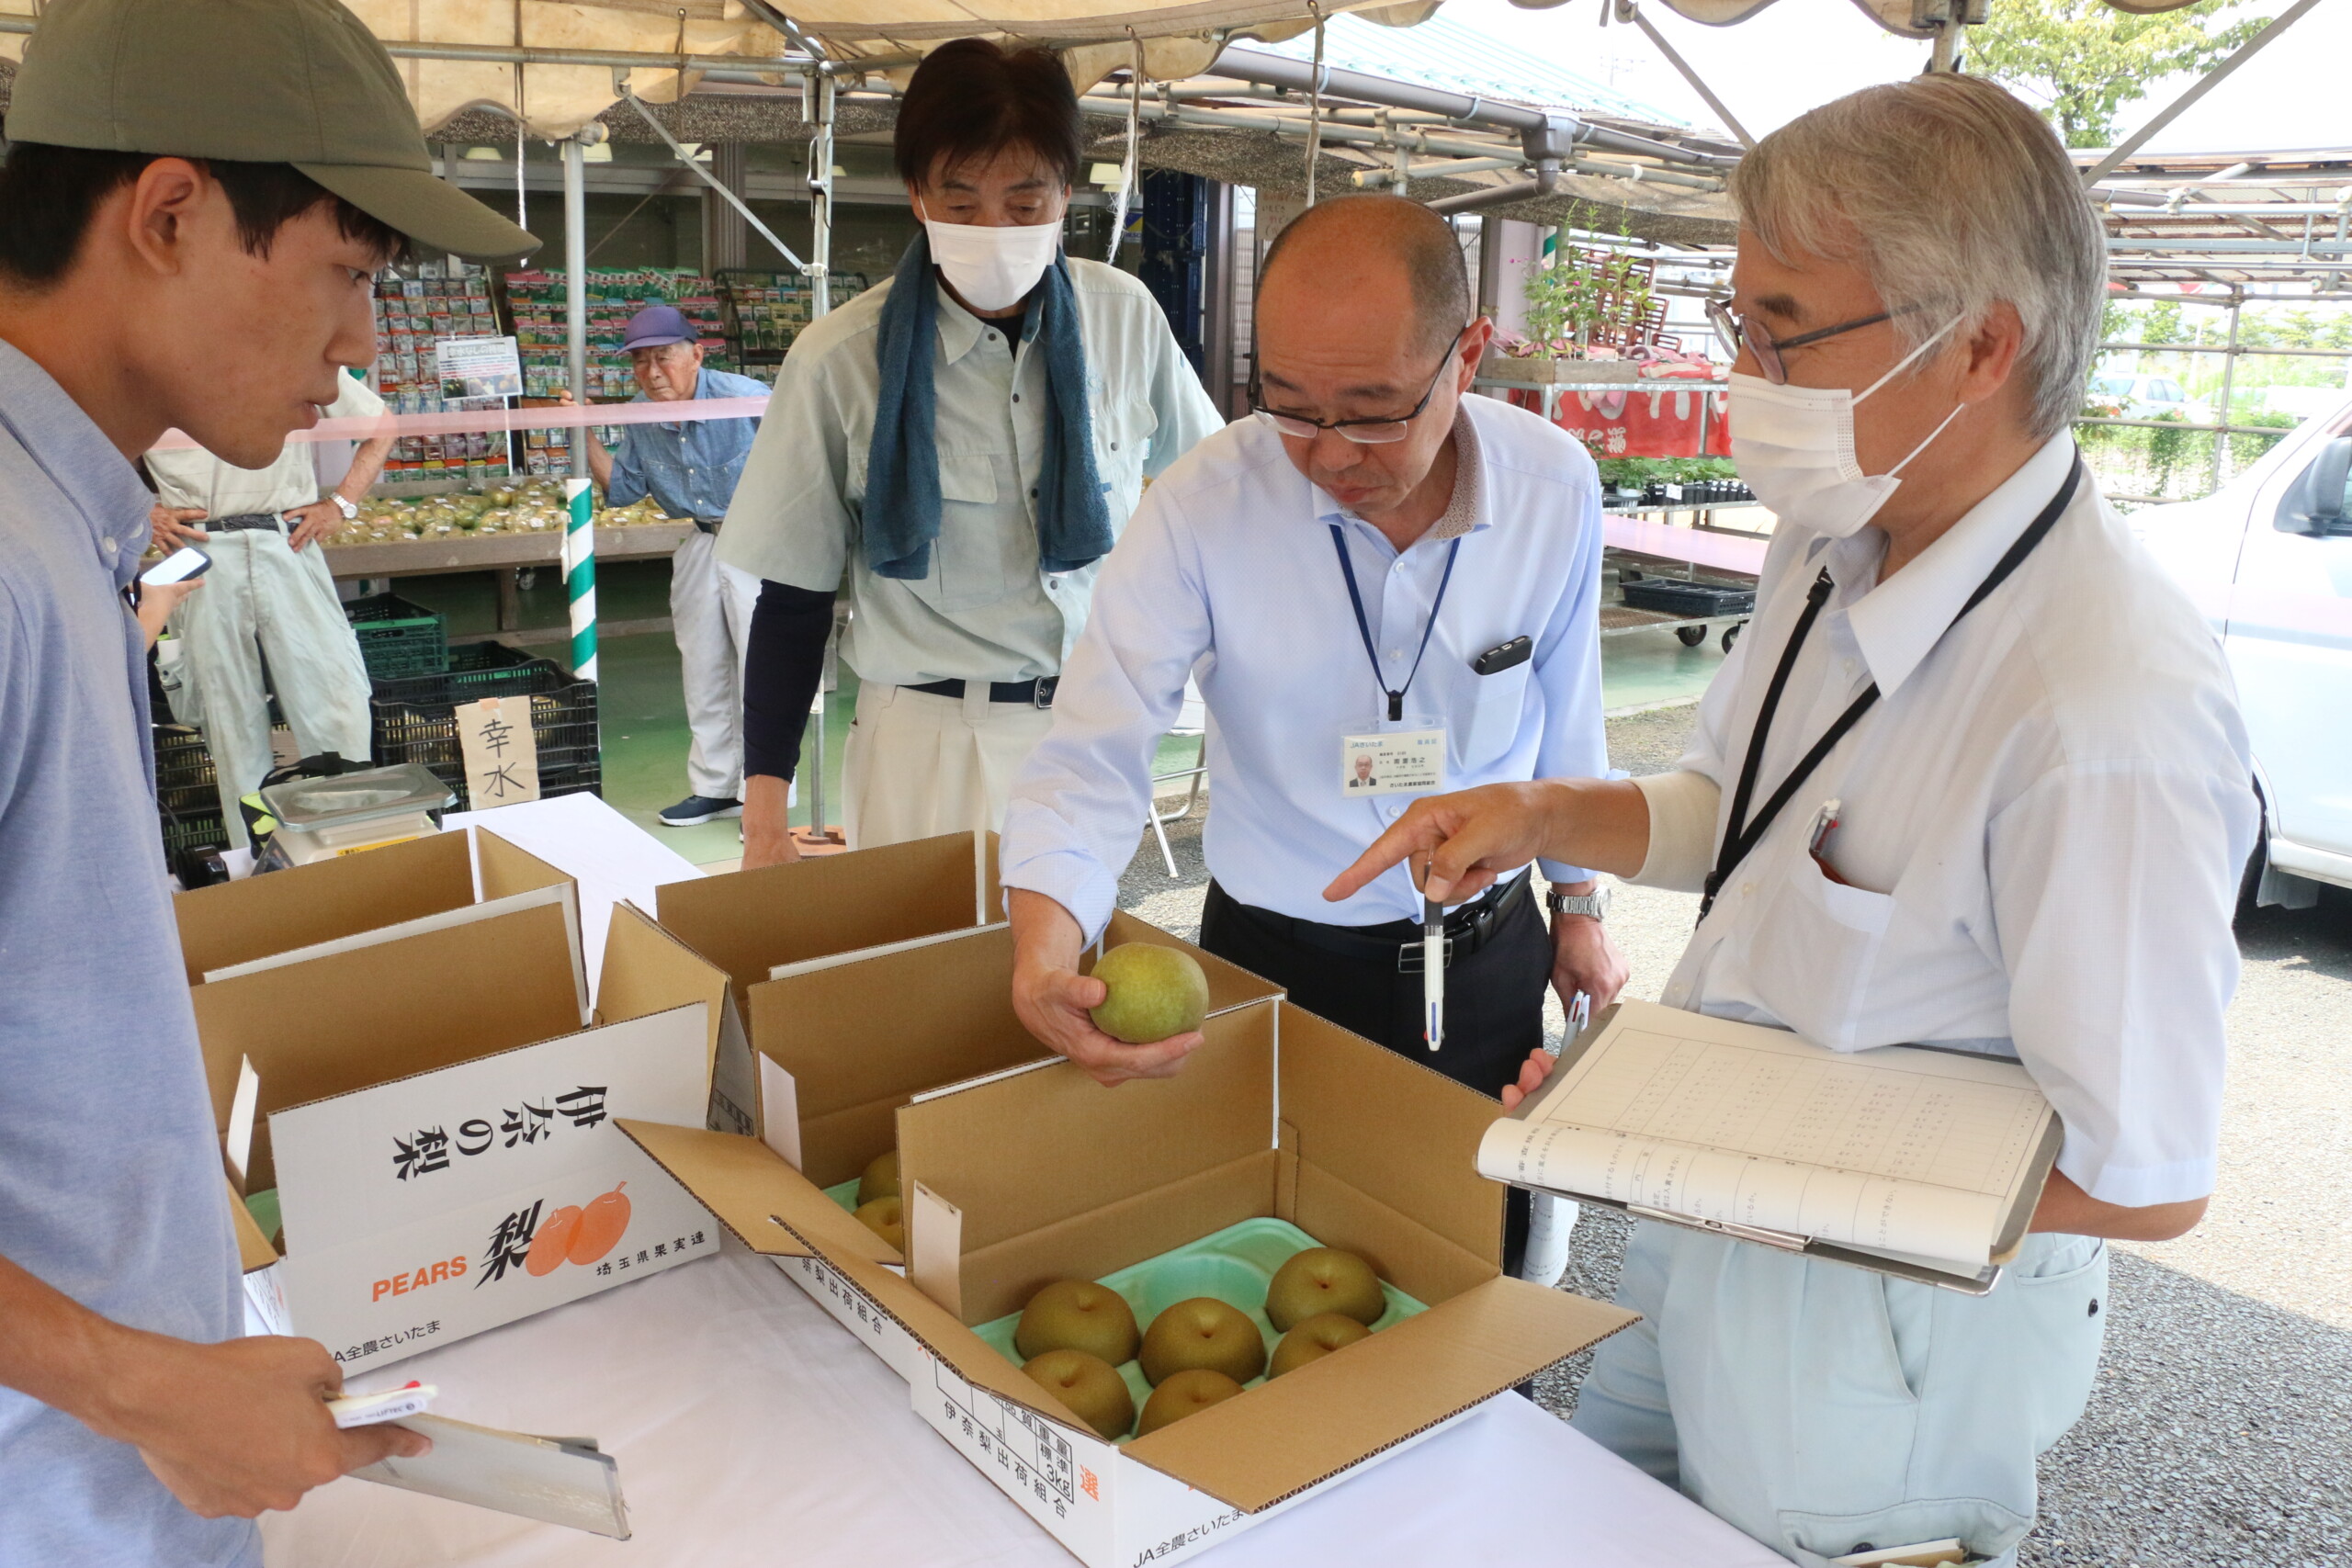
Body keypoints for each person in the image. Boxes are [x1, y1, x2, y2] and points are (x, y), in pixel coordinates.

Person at [1328, 76, 2256, 1568]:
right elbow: (1749, 810)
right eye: (1738, 325)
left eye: (1782, 328)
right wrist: (1544, 809)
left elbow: (2145, 1178)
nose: (1743, 372)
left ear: (1981, 345)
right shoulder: (1841, 528)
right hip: (1721, 1232)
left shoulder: (2101, 716)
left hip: (1881, 1340)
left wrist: (1684, 1142)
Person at [0, 0, 534, 1558]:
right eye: (350, 274)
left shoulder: (71, 522)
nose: (364, 339)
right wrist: (145, 1384)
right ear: (169, 215)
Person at [998, 196, 1627, 1272]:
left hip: (1485, 950)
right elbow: (1096, 750)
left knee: (1478, 1264)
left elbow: (1566, 722)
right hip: (1273, 962)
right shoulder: (1202, 505)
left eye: (1374, 410)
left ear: (1466, 356)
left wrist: (1577, 908)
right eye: (1287, 403)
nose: (1329, 453)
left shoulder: (1551, 487)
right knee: (1275, 1271)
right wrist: (1044, 957)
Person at [720, 37, 1221, 864]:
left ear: (1067, 191)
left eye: (1026, 207)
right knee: (930, 978)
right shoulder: (842, 359)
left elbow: (1209, 497)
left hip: (1090, 728)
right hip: (927, 737)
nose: (995, 230)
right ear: (917, 195)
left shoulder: (1124, 319)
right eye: (962, 203)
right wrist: (765, 821)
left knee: (1075, 978)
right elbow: (794, 599)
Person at [144, 367, 392, 844]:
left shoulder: (292, 343)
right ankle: (264, 869)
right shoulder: (148, 355)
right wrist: (142, 510)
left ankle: (351, 852)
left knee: (338, 710)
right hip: (199, 552)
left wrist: (341, 504)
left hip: (287, 541)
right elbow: (90, 448)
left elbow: (381, 426)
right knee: (230, 727)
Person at [566, 303, 769, 828]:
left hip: (761, 541)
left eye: (664, 358)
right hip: (700, 543)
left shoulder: (746, 398)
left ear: (697, 354)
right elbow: (627, 487)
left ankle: (767, 798)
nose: (653, 373)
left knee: (765, 670)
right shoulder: (641, 410)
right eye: (640, 362)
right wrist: (584, 433)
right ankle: (715, 787)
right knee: (702, 667)